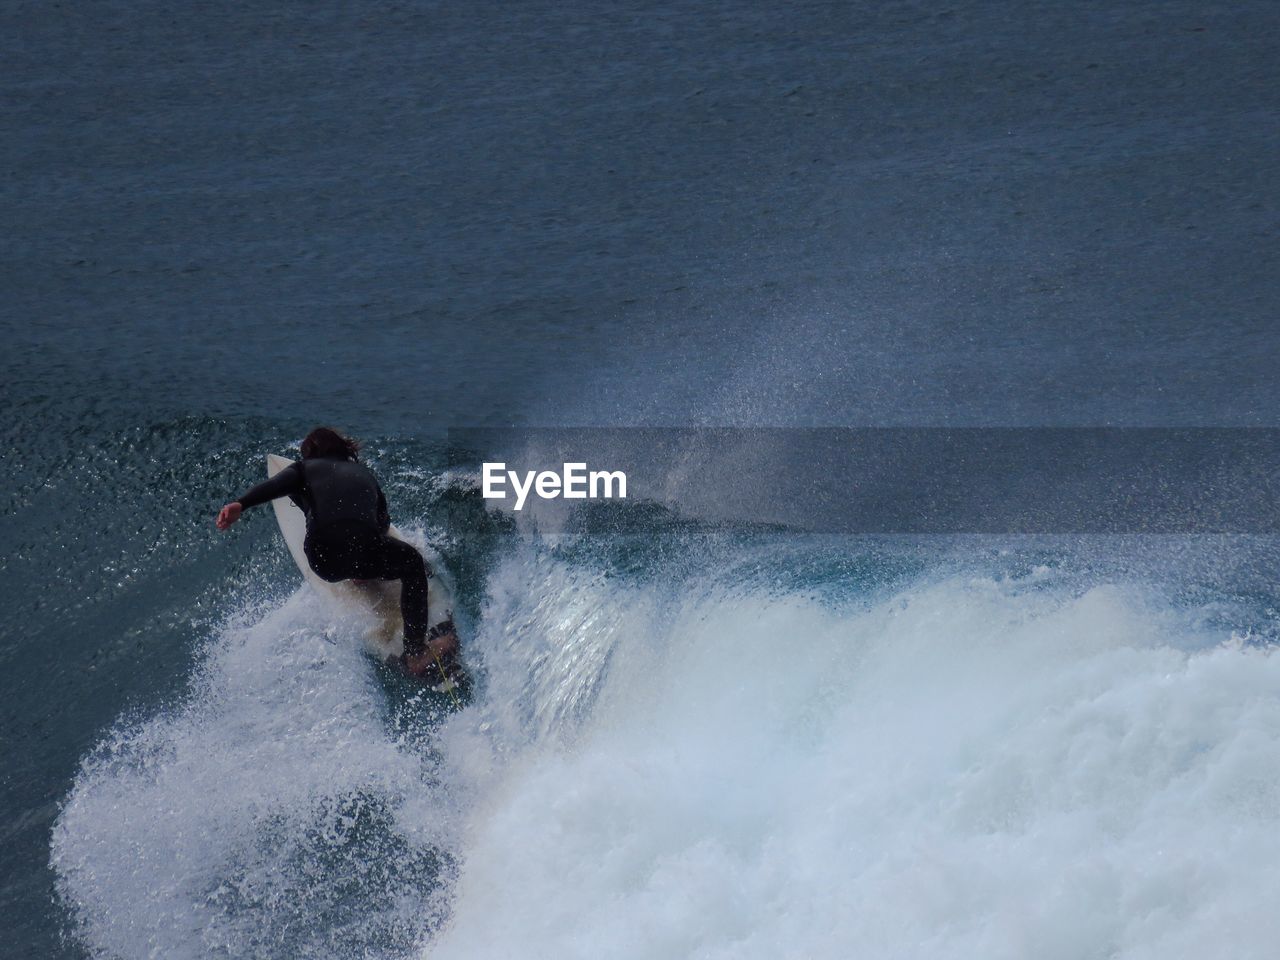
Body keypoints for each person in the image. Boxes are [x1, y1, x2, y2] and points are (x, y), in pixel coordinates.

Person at [215, 426, 457, 676]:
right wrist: (370, 559)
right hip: (364, 548)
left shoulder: (303, 469)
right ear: (345, 450)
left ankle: (356, 568)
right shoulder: (364, 475)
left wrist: (241, 504)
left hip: (324, 559)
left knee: (308, 500)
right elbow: (382, 523)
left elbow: (276, 486)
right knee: (412, 564)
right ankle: (416, 651)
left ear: (310, 454)